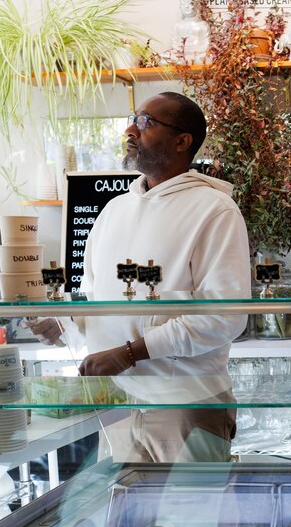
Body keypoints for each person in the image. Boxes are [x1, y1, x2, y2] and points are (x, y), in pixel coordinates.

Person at [30, 92, 251, 462]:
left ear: (182, 141)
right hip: (118, 404)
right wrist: (63, 325)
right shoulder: (113, 210)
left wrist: (130, 353)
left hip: (185, 404)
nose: (130, 130)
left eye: (146, 122)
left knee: (190, 504)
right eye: (133, 120)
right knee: (126, 503)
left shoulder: (215, 210)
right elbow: (94, 298)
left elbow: (224, 317)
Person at [170, 0, 210, 65]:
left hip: (198, 55)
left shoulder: (203, 25)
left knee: (206, 58)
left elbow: (206, 43)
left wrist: (196, 52)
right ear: (180, 6)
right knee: (166, 59)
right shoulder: (177, 25)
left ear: (196, 5)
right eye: (183, 4)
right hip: (182, 56)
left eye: (190, 3)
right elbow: (175, 43)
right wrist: (180, 52)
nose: (186, 6)